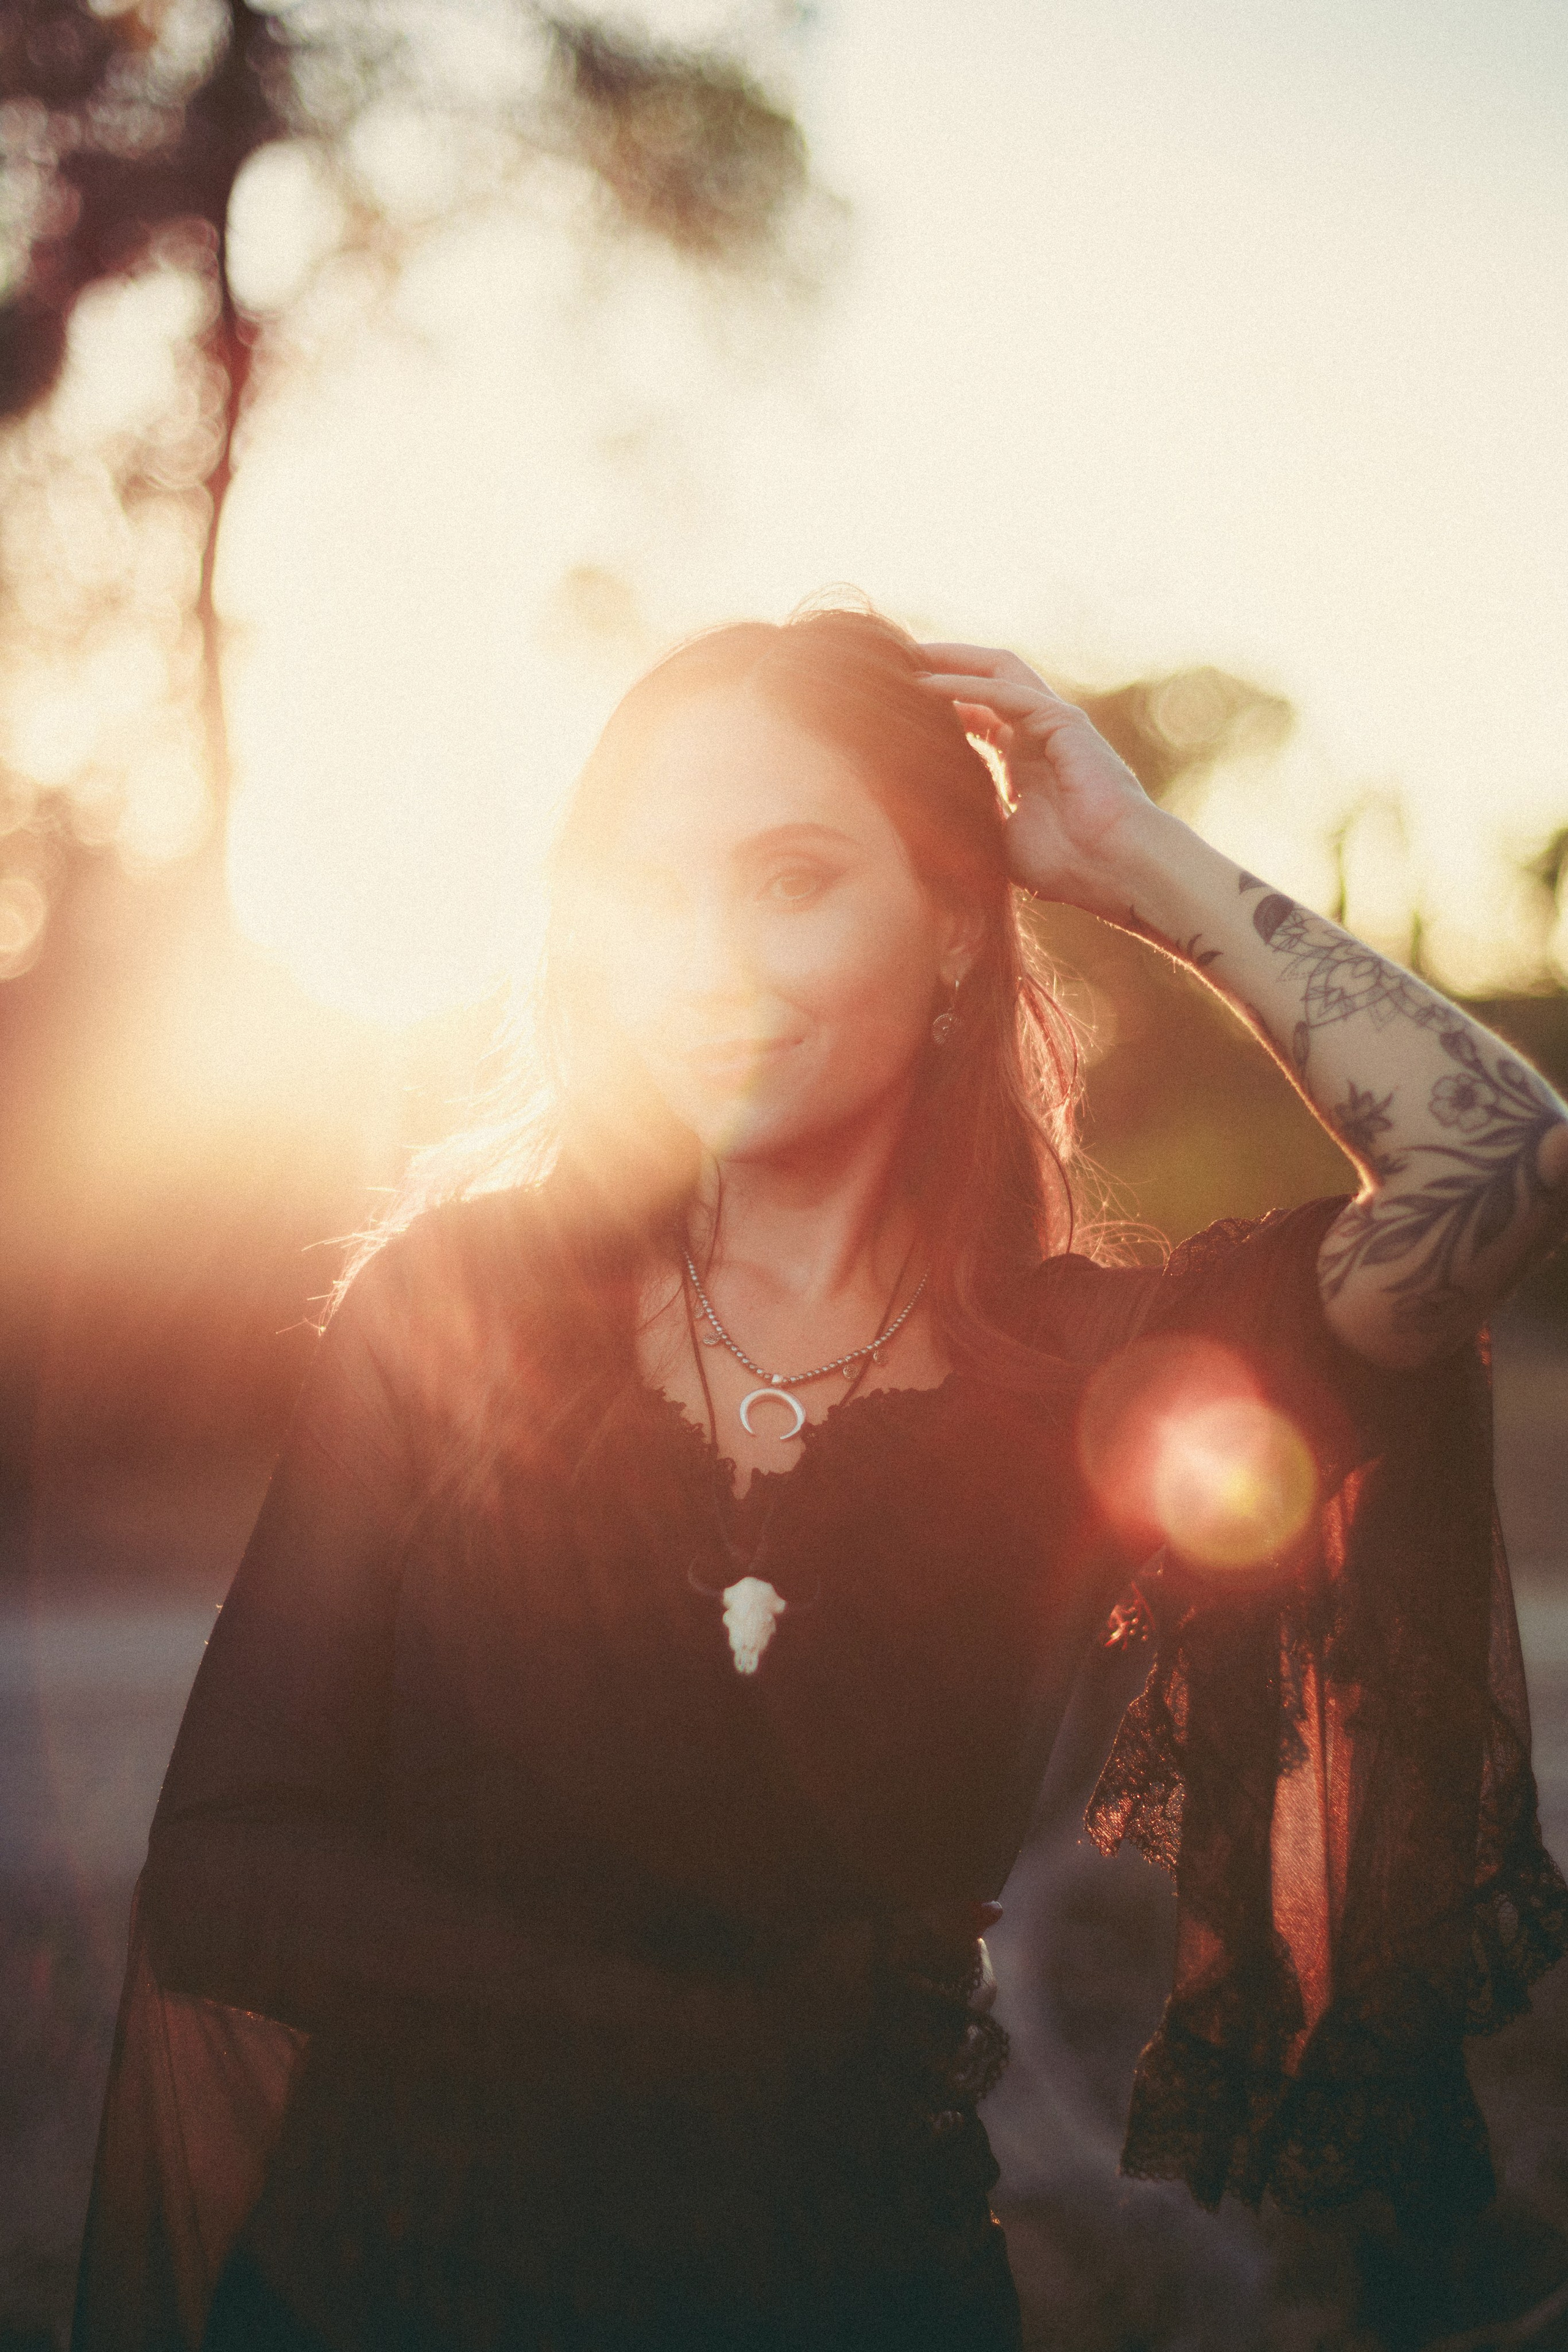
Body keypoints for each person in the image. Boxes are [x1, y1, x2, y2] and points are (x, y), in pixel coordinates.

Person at [75, 608, 1568, 2351]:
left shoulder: (1089, 1369)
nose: (708, 961)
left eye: (792, 880)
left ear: (955, 926)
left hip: (853, 2293)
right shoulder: (457, 1308)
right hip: (382, 2293)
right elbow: (228, 1868)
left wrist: (1132, 856)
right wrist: (695, 2027)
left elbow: (1498, 1155)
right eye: (651, 891)